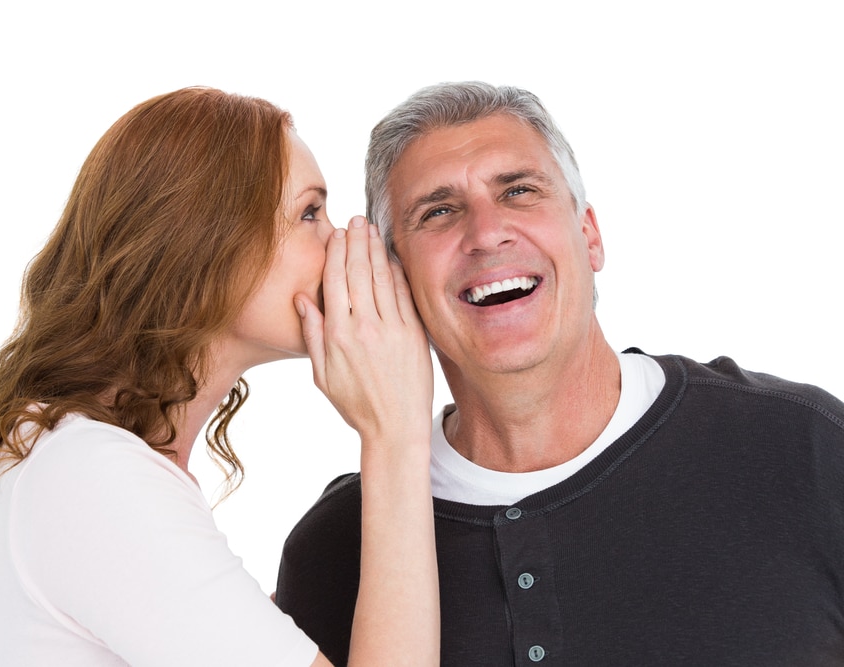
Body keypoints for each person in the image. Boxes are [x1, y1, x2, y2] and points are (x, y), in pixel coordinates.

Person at [275, 81, 844, 666]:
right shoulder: (335, 549)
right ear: (391, 278)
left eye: (519, 191)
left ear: (590, 235)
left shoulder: (807, 449)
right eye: (439, 211)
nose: (486, 233)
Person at [0, 87, 440, 667]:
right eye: (310, 213)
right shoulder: (93, 479)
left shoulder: (81, 464)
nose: (341, 242)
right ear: (206, 243)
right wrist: (394, 436)